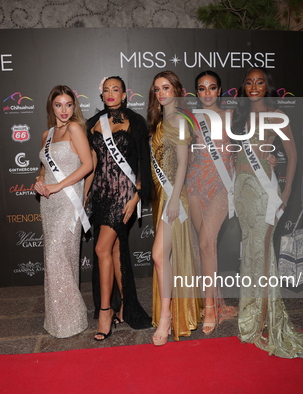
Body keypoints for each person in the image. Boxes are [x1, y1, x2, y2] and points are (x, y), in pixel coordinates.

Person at [232, 67, 303, 358]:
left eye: (260, 82)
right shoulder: (240, 116)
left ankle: (262, 320)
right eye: (249, 82)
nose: (254, 86)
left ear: (267, 86)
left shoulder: (276, 115)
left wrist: (285, 193)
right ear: (244, 87)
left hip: (264, 192)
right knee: (249, 252)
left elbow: (293, 154)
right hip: (242, 189)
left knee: (263, 251)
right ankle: (249, 315)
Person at [85, 76, 152, 341]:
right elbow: (90, 166)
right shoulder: (92, 125)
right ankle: (125, 306)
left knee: (101, 249)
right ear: (101, 95)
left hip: (123, 196)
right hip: (100, 196)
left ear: (125, 94)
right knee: (111, 250)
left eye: (116, 89)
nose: (111, 93)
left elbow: (142, 163)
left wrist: (136, 197)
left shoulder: (136, 122)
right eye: (106, 90)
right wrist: (84, 197)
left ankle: (105, 311)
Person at [148, 70, 202, 345]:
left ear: (177, 90)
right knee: (165, 257)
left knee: (158, 255)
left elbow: (183, 164)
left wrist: (173, 199)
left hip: (175, 198)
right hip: (163, 197)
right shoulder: (160, 121)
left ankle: (167, 316)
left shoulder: (179, 120)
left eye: (166, 88)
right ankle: (170, 312)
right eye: (157, 89)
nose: (161, 93)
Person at [35, 85, 93, 338]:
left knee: (57, 256)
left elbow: (88, 164)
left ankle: (73, 317)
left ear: (74, 106)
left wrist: (58, 185)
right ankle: (60, 319)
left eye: (69, 104)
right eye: (59, 105)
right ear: (52, 107)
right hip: (49, 203)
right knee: (57, 258)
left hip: (68, 201)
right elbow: (45, 167)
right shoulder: (46, 134)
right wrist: (39, 179)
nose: (64, 110)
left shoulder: (75, 129)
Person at [186, 70, 237, 334]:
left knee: (207, 242)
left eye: (212, 87)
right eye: (202, 88)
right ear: (197, 92)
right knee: (202, 247)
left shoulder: (232, 116)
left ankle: (209, 309)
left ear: (219, 90)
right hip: (195, 185)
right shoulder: (190, 118)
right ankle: (216, 302)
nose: (207, 93)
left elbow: (244, 150)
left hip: (221, 185)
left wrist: (269, 161)